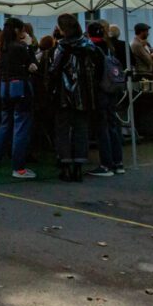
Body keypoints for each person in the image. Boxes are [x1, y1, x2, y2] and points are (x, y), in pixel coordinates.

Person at [50, 14, 102, 182]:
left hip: (63, 95)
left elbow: (54, 70)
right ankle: (78, 167)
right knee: (81, 129)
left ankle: (65, 167)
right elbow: (100, 67)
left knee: (63, 130)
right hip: (85, 94)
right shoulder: (89, 46)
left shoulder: (61, 47)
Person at [0, 18, 39, 179]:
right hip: (20, 86)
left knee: (5, 122)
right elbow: (34, 65)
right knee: (21, 125)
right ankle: (19, 167)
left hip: (4, 86)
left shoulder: (1, 47)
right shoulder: (20, 47)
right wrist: (29, 46)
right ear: (17, 30)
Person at [86, 22, 124, 177]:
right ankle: (118, 162)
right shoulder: (110, 47)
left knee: (102, 128)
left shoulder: (92, 49)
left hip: (100, 90)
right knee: (112, 125)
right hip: (112, 89)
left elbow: (93, 73)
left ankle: (106, 164)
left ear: (89, 33)